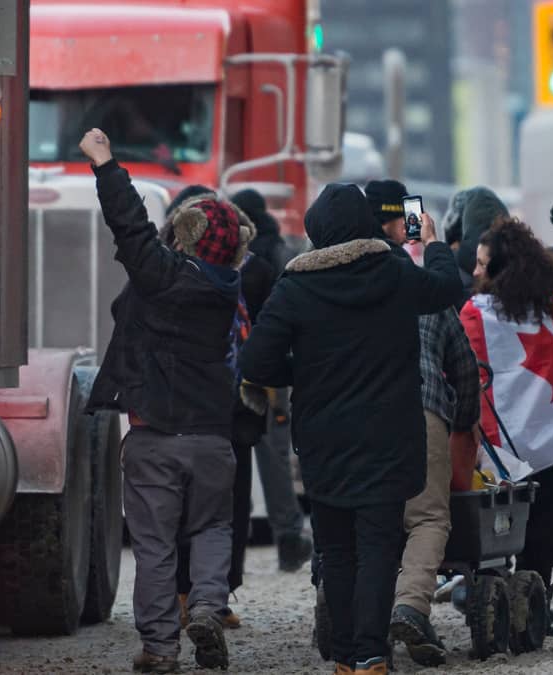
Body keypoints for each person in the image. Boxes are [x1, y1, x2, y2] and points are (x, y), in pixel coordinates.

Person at [239, 182, 461, 675]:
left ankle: (345, 658)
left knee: (337, 549)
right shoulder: (394, 272)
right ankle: (371, 654)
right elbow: (447, 289)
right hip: (390, 435)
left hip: (325, 440)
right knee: (379, 547)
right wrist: (434, 242)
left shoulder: (295, 286)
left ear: (316, 230)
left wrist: (306, 372)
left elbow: (255, 360)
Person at [80, 129, 250, 672]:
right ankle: (205, 605)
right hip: (213, 439)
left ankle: (159, 647)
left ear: (185, 235)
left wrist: (107, 164)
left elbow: (129, 227)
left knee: (155, 545)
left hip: (155, 435)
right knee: (213, 528)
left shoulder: (162, 279)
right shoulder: (226, 290)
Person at [362, 180, 482, 667]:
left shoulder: (330, 277)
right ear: (400, 223)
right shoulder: (422, 283)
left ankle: (350, 618)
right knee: (428, 516)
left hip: (357, 417)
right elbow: (464, 365)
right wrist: (465, 420)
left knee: (366, 521)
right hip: (423, 410)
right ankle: (411, 605)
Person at [459, 218, 553, 634]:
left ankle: (490, 600)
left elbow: (465, 371)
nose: (474, 272)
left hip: (496, 445)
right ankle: (537, 607)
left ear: (499, 269)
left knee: (492, 527)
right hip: (550, 439)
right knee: (541, 528)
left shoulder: (475, 312)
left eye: (481, 264)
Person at [168, 186, 264, 630]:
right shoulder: (198, 279)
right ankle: (197, 595)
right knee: (215, 509)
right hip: (219, 412)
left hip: (222, 413)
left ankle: (208, 595)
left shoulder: (239, 274)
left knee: (212, 509)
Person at [230, 188, 313, 573]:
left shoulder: (243, 257)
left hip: (245, 368)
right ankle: (289, 538)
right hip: (273, 374)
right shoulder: (280, 251)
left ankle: (236, 536)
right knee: (273, 454)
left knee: (241, 456)